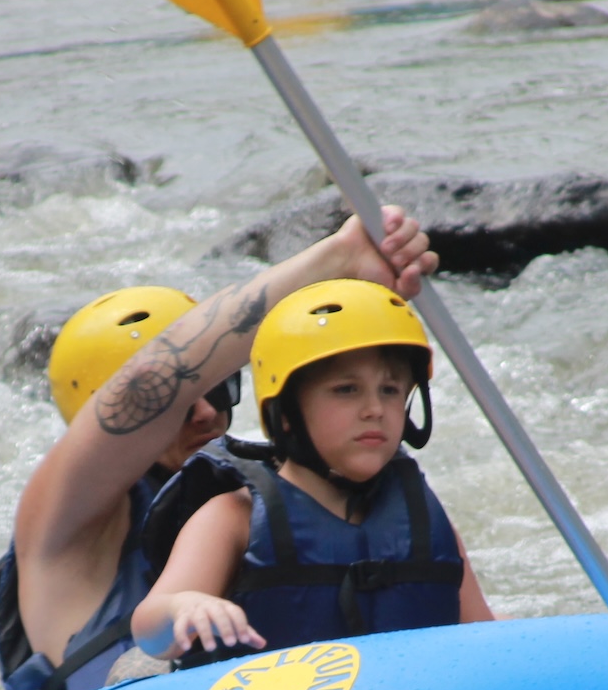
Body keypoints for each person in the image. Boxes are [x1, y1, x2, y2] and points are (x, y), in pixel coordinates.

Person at [0, 209, 439, 690]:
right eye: (179, 407)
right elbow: (156, 382)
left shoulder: (268, 500)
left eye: (219, 387)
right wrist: (337, 258)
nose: (204, 413)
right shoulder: (60, 527)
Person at [133, 281, 491, 665]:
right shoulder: (231, 517)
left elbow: (483, 635)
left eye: (389, 390)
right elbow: (149, 629)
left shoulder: (423, 520)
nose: (375, 409)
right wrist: (183, 607)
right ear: (285, 413)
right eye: (346, 390)